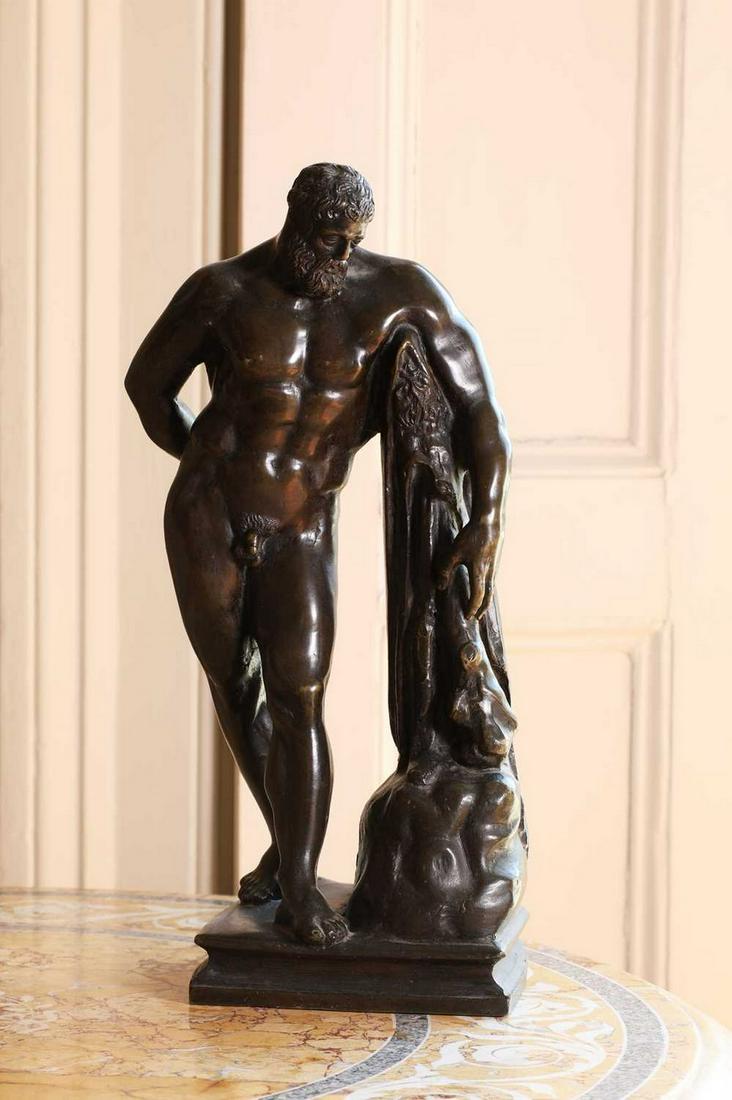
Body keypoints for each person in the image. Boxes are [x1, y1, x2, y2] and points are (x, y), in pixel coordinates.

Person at [125, 163, 510, 946]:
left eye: (352, 241)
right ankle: (287, 845)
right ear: (295, 220)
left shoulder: (399, 293)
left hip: (303, 524)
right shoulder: (223, 292)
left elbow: (479, 408)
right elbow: (146, 385)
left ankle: (299, 885)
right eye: (328, 238)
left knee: (298, 693)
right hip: (208, 514)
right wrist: (209, 463)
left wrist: (488, 516)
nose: (340, 255)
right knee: (237, 688)